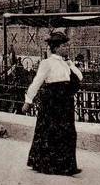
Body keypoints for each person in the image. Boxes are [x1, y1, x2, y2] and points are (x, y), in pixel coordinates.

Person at [22, 31, 83, 176]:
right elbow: (36, 82)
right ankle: (48, 165)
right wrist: (28, 101)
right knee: (51, 132)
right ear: (56, 48)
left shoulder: (65, 63)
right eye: (63, 46)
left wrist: (70, 63)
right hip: (52, 101)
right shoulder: (46, 63)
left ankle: (67, 166)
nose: (66, 48)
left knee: (68, 132)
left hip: (65, 101)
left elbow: (79, 76)